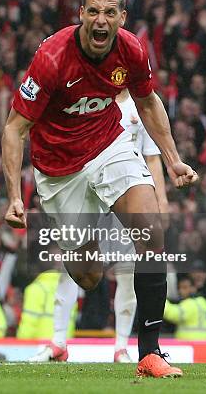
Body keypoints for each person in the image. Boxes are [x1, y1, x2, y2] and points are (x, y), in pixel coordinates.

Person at [2, 0, 198, 378]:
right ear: (81, 15)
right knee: (89, 277)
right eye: (93, 11)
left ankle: (150, 353)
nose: (101, 19)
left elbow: (146, 100)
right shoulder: (52, 57)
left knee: (150, 230)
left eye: (110, 12)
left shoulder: (131, 49)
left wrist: (174, 159)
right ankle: (75, 245)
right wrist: (13, 197)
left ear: (122, 18)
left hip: (109, 145)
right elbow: (13, 128)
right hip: (59, 170)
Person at [30, 89, 169, 363]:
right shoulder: (90, 100)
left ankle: (121, 347)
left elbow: (152, 157)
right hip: (88, 192)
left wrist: (160, 200)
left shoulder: (140, 105)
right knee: (74, 266)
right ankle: (59, 341)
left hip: (125, 193)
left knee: (129, 271)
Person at [163, 276, 206, 340]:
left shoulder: (190, 304)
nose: (181, 291)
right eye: (180, 288)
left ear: (193, 288)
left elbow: (173, 314)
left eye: (185, 288)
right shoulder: (203, 302)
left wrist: (162, 301)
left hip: (192, 342)